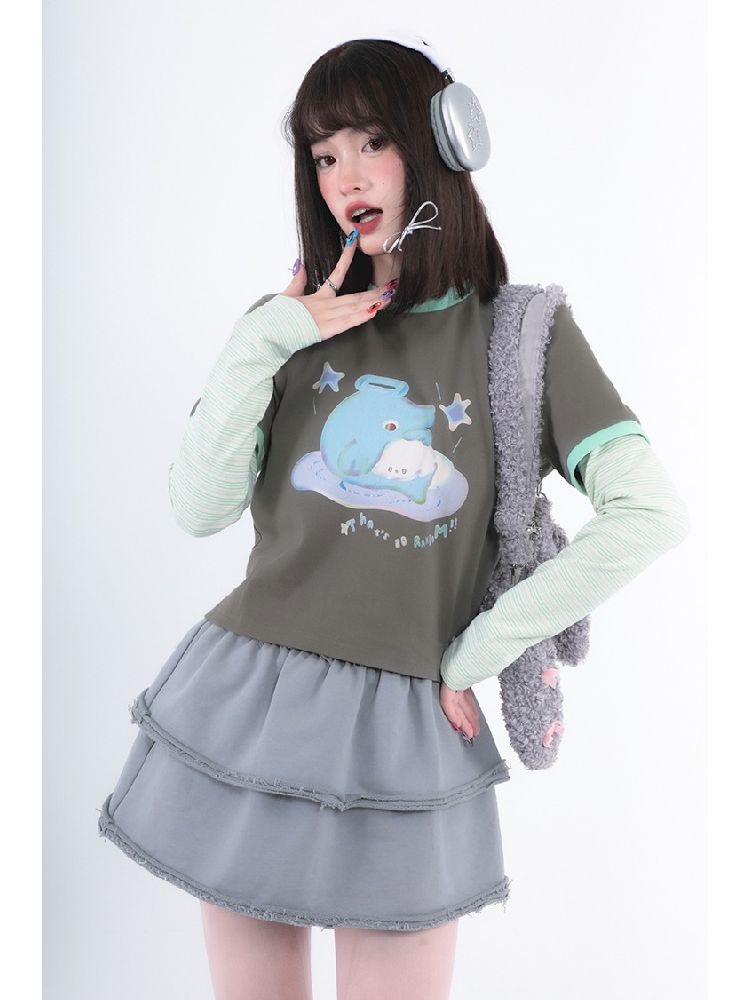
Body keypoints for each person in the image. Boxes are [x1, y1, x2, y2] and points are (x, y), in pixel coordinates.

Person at [96, 34, 690, 1000]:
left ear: (443, 143)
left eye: (372, 141)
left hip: (411, 731)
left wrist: (480, 649)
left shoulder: (522, 335)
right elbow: (197, 510)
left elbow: (651, 513)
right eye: (324, 154)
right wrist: (264, 337)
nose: (345, 177)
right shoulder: (289, 326)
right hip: (253, 707)